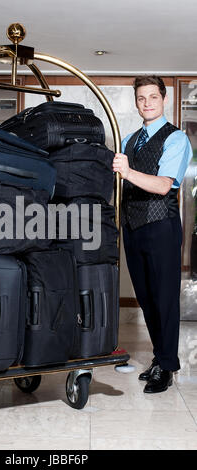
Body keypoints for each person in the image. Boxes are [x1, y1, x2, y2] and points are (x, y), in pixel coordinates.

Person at [113, 75, 193, 393]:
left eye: (153, 97)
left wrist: (128, 170)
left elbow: (162, 186)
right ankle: (160, 358)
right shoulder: (129, 141)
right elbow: (124, 185)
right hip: (133, 228)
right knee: (147, 300)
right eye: (141, 98)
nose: (146, 103)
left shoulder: (176, 139)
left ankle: (168, 366)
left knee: (165, 300)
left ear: (164, 100)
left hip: (161, 228)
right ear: (136, 102)